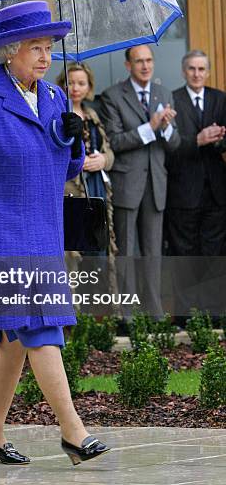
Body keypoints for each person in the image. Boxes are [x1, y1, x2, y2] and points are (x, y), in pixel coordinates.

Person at [0, 1, 110, 465]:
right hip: (1, 235)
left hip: (43, 233)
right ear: (9, 51)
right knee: (40, 326)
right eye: (35, 47)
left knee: (15, 339)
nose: (45, 57)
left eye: (49, 47)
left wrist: (72, 137)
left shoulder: (56, 99)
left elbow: (64, 167)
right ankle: (73, 433)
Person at [99, 45, 180, 320]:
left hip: (156, 183)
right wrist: (151, 127)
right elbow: (115, 141)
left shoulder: (164, 94)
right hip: (127, 182)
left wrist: (166, 127)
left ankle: (154, 310)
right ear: (128, 65)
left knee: (153, 250)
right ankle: (127, 313)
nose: (145, 66)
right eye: (139, 61)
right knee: (126, 249)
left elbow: (175, 144)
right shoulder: (112, 96)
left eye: (149, 60)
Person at [165, 50, 226, 320]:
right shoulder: (172, 100)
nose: (197, 74)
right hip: (183, 192)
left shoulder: (220, 99)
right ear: (183, 71)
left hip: (216, 192)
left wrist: (218, 138)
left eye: (202, 69)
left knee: (214, 254)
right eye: (192, 69)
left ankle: (212, 314)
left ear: (208, 72)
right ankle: (186, 315)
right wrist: (198, 140)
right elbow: (169, 146)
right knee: (184, 255)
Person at [56, 61, 117, 258]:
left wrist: (102, 161)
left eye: (81, 83)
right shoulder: (57, 115)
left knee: (97, 245)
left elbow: (110, 153)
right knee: (74, 248)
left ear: (89, 86)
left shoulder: (92, 115)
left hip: (96, 188)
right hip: (71, 191)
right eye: (70, 82)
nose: (75, 88)